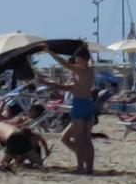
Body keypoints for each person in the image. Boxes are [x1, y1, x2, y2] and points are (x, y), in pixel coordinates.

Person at [40, 45, 96, 175]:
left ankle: (81, 167)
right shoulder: (90, 71)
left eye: (77, 58)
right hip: (88, 104)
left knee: (79, 139)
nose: (75, 60)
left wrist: (49, 51)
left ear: (81, 59)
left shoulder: (79, 70)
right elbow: (69, 87)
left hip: (79, 105)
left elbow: (63, 62)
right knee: (86, 139)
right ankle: (89, 168)